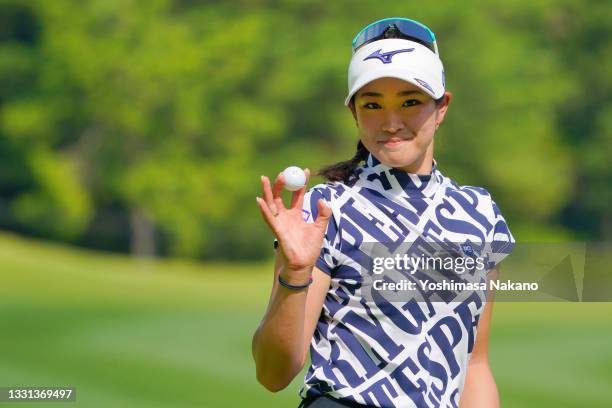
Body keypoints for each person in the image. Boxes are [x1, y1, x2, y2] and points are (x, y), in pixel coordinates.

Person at [252, 17, 514, 408]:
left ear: (442, 107)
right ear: (353, 113)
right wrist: (296, 273)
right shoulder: (325, 209)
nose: (391, 122)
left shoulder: (477, 214)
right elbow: (274, 375)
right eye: (372, 104)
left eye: (410, 101)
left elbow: (474, 366)